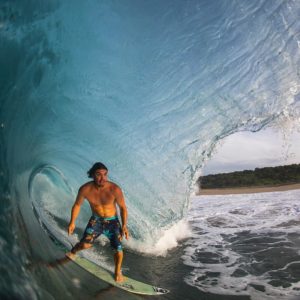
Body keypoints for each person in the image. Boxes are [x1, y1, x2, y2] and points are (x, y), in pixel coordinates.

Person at [67, 162, 129, 282]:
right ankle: (73, 251)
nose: (103, 178)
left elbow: (123, 208)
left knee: (119, 250)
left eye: (105, 175)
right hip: (96, 221)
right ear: (92, 175)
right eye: (99, 174)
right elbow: (77, 205)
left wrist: (125, 226)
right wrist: (72, 222)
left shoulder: (114, 189)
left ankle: (117, 273)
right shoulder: (85, 189)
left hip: (112, 223)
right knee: (85, 245)